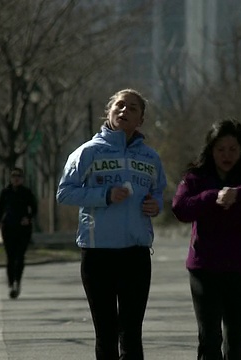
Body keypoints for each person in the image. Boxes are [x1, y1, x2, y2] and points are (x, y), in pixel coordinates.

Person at [56, 88, 167, 360]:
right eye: (119, 105)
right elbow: (64, 192)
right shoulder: (87, 152)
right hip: (98, 254)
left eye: (132, 108)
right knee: (106, 333)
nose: (124, 111)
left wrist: (156, 205)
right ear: (108, 112)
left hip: (136, 254)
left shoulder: (150, 157)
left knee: (131, 333)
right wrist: (104, 196)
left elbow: (159, 193)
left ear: (141, 119)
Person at [171, 119, 241, 360]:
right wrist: (212, 197)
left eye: (233, 149)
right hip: (205, 268)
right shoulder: (196, 177)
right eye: (221, 149)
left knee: (236, 339)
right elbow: (180, 208)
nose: (227, 155)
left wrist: (240, 193)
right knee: (209, 337)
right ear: (210, 150)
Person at [0, 167, 37, 299]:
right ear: (10, 178)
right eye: (13, 176)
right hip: (8, 227)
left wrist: (28, 218)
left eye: (18, 176)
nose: (16, 178)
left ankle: (17, 281)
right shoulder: (5, 192)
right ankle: (10, 281)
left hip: (23, 228)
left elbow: (34, 208)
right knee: (10, 256)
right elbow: (0, 208)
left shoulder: (26, 192)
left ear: (22, 179)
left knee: (20, 256)